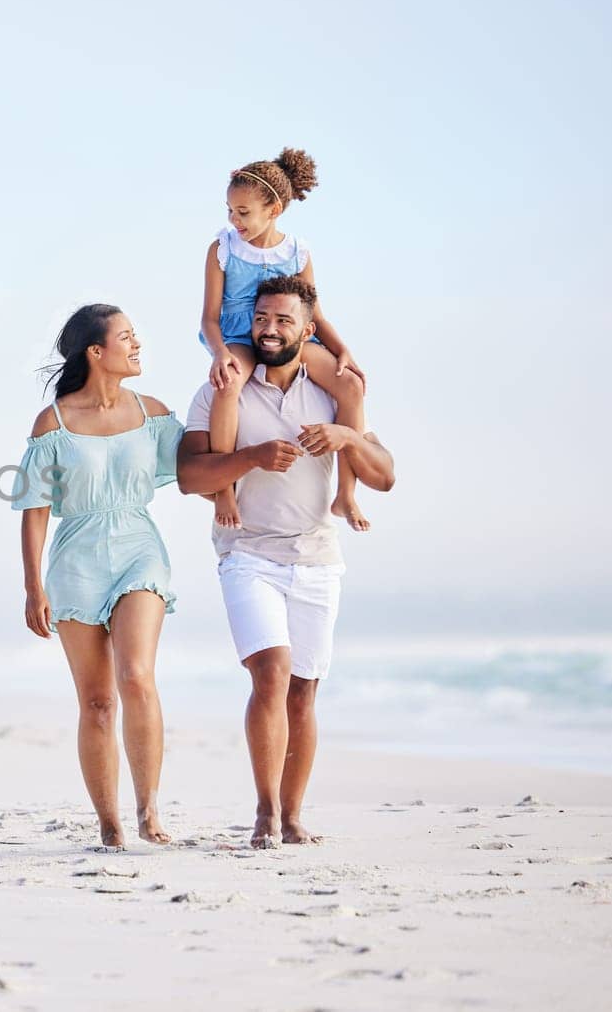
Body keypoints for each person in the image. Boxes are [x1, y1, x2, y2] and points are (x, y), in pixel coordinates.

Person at [177, 277, 395, 849]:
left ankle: (294, 816)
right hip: (247, 554)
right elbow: (189, 477)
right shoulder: (223, 388)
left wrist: (346, 435)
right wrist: (250, 458)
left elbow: (385, 476)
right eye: (262, 318)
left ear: (307, 330)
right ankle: (266, 813)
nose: (270, 330)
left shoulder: (329, 393)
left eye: (284, 321)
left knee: (304, 692)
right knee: (270, 675)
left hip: (318, 557)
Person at [14, 305, 185, 849]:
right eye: (127, 337)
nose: (138, 346)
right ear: (96, 351)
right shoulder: (54, 423)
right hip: (76, 559)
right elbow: (35, 508)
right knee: (96, 702)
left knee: (135, 675)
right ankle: (109, 824)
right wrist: (32, 586)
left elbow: (200, 467)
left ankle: (149, 809)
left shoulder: (154, 414)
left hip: (139, 547)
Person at [199, 147, 371, 532]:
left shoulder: (297, 252)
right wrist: (220, 353)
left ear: (273, 211)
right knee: (228, 384)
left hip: (290, 339)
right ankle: (224, 489)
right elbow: (209, 318)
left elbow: (316, 315)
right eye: (229, 210)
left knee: (351, 386)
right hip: (241, 337)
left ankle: (345, 492)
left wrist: (343, 350)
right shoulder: (222, 249)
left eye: (243, 213)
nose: (234, 219)